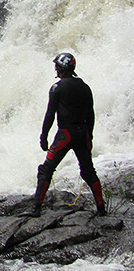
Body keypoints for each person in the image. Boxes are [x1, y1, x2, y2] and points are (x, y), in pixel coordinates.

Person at [24, 52, 106, 217]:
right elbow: (91, 115)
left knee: (46, 170)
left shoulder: (57, 88)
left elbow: (50, 115)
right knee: (88, 171)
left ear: (61, 68)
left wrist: (44, 136)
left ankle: (35, 209)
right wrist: (89, 136)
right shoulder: (85, 87)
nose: (55, 69)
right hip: (83, 134)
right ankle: (102, 208)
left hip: (66, 134)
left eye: (56, 66)